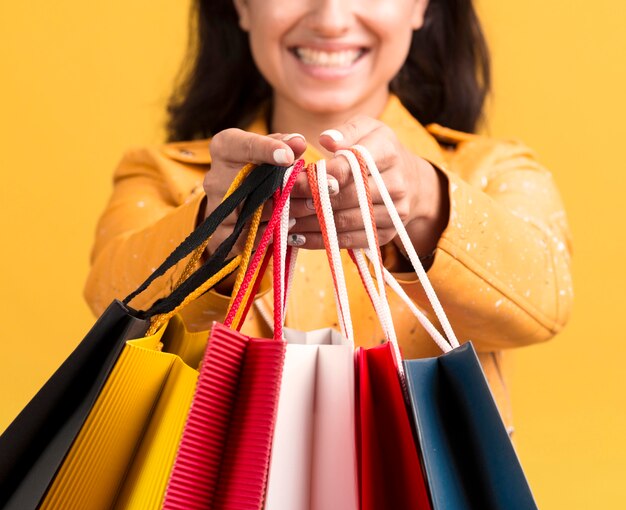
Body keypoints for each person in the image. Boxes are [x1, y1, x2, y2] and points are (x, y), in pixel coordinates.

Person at [84, 0, 573, 432]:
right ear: (241, 6)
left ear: (421, 6)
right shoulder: (161, 176)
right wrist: (211, 231)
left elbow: (546, 302)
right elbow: (109, 303)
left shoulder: (490, 172)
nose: (331, 18)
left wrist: (427, 202)